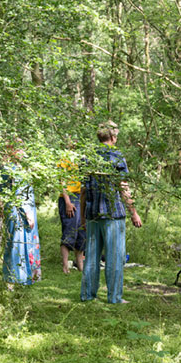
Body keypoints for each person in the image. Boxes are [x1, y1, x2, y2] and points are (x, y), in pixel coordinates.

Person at [80, 121, 142, 304]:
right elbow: (124, 187)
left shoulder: (87, 157)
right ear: (113, 137)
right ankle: (114, 297)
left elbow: (83, 190)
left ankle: (87, 295)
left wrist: (83, 216)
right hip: (113, 215)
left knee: (91, 256)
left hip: (92, 215)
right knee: (115, 258)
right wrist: (133, 213)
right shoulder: (116, 157)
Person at [2, 142, 41, 286]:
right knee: (18, 244)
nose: (22, 151)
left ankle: (24, 277)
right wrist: (27, 213)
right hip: (19, 212)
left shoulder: (15, 168)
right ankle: (16, 278)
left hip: (20, 210)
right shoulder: (12, 170)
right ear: (12, 151)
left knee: (21, 243)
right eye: (19, 148)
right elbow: (18, 194)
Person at [57, 148, 85, 273]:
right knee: (69, 230)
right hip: (69, 197)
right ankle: (65, 266)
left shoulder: (82, 158)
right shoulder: (64, 158)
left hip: (81, 196)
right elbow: (61, 181)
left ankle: (80, 265)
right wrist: (68, 201)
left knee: (81, 232)